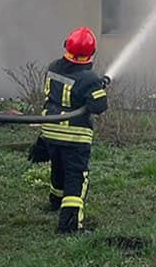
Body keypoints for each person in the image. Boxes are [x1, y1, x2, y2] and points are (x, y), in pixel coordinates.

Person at [40, 27, 108, 234]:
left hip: (51, 130)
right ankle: (69, 226)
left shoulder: (53, 67)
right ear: (90, 54)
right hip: (74, 136)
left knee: (58, 167)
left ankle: (55, 201)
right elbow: (99, 106)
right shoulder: (89, 78)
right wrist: (98, 88)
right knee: (76, 177)